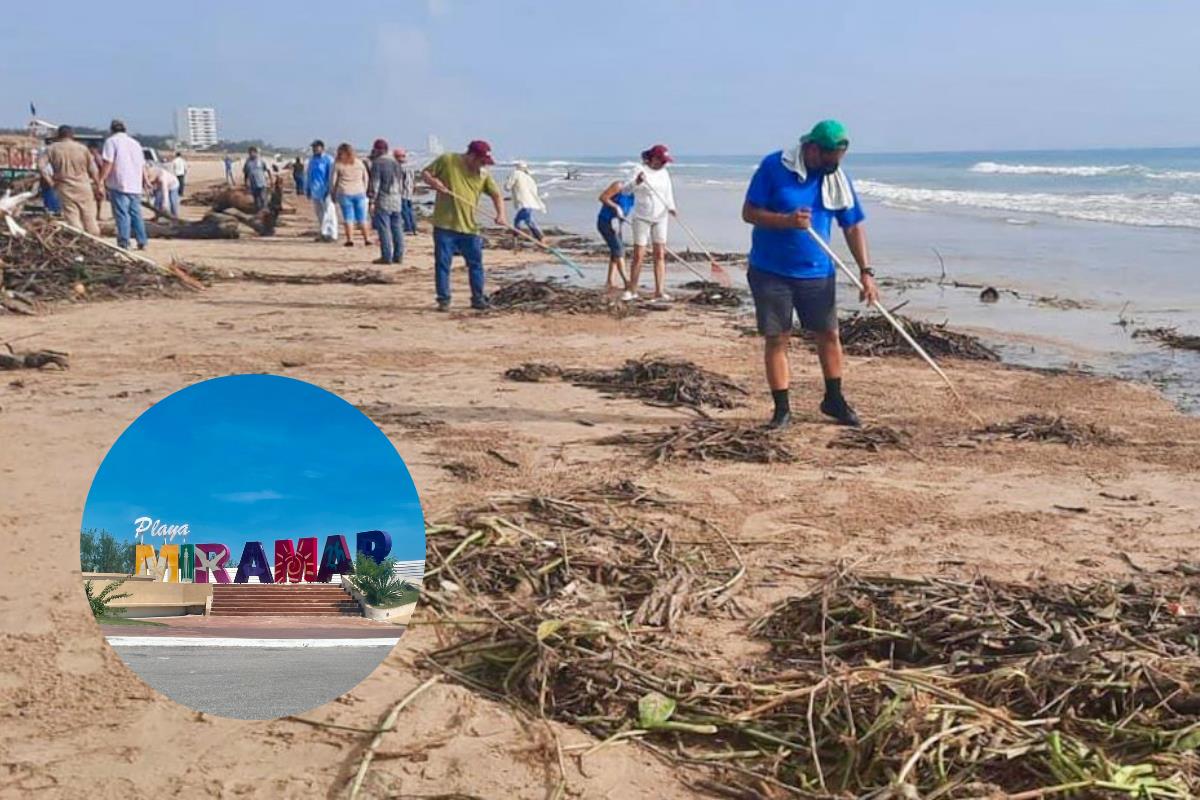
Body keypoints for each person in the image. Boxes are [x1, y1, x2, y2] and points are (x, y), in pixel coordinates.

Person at [741, 119, 879, 430]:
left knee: (829, 334)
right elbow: (749, 213)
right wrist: (786, 221)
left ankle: (834, 399)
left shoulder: (836, 177)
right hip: (770, 270)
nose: (832, 167)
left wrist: (866, 272)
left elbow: (853, 225)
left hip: (818, 272)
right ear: (812, 149)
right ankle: (782, 410)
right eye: (829, 160)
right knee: (778, 338)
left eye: (838, 161)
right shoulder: (774, 167)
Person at [420, 140, 506, 311]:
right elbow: (425, 173)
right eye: (481, 161)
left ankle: (478, 299)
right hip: (445, 226)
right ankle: (443, 300)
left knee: (476, 264)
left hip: (470, 228)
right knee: (443, 264)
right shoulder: (448, 160)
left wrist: (501, 215)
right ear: (472, 156)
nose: (483, 165)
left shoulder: (483, 174)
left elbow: (497, 195)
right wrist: (434, 183)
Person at [622, 144, 676, 302]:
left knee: (660, 254)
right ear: (653, 158)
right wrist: (637, 182)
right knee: (639, 255)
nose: (664, 164)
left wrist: (672, 207)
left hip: (661, 217)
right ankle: (632, 290)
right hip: (642, 217)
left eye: (665, 161)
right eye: (662, 160)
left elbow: (668, 192)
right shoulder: (638, 169)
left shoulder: (665, 173)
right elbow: (625, 190)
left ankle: (659, 291)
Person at [98, 119, 148, 250]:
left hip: (119, 183)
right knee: (136, 214)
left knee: (122, 214)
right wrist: (145, 180)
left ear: (112, 130)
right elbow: (143, 165)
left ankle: (124, 241)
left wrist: (101, 179)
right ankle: (142, 240)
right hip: (135, 184)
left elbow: (108, 162)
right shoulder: (135, 143)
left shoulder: (111, 141)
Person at [45, 125, 103, 235]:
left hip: (65, 186)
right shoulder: (82, 148)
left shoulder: (52, 148)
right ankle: (95, 237)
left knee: (72, 217)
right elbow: (93, 170)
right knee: (89, 216)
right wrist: (99, 185)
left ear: (58, 135)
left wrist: (50, 182)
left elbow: (41, 166)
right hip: (84, 186)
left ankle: (80, 238)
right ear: (72, 135)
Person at [367, 138, 404, 264]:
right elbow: (401, 183)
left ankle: (386, 256)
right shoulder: (396, 163)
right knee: (397, 229)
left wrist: (371, 201)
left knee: (384, 229)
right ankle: (398, 255)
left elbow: (375, 184)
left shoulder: (378, 163)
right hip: (397, 199)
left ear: (377, 150)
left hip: (383, 199)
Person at [329, 143, 372, 247]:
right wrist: (365, 190)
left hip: (345, 192)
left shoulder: (338, 164)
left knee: (348, 217)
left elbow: (333, 181)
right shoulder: (359, 163)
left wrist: (333, 193)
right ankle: (367, 239)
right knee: (362, 217)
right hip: (359, 192)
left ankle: (350, 239)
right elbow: (366, 178)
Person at [597, 180, 635, 291]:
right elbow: (603, 197)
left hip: (617, 224)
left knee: (615, 252)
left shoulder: (635, 193)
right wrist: (616, 207)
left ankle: (610, 281)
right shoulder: (619, 186)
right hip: (606, 222)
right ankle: (626, 281)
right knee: (619, 250)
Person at [504, 161, 546, 241]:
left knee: (518, 220)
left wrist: (508, 180)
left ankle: (515, 238)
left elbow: (507, 187)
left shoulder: (516, 173)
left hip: (524, 204)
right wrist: (510, 198)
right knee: (528, 221)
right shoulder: (529, 178)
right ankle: (540, 238)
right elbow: (526, 192)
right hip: (530, 203)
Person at [305, 140, 338, 242]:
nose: (315, 149)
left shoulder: (328, 160)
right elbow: (309, 175)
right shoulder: (312, 160)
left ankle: (332, 234)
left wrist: (329, 189)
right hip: (315, 190)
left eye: (316, 147)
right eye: (313, 147)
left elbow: (331, 176)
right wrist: (307, 189)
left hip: (326, 190)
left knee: (329, 212)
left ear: (322, 148)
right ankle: (323, 232)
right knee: (319, 213)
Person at [394, 149, 418, 234]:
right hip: (409, 192)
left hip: (402, 192)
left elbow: (399, 181)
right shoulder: (410, 166)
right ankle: (413, 227)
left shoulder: (400, 167)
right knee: (410, 210)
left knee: (404, 210)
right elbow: (413, 180)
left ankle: (408, 228)